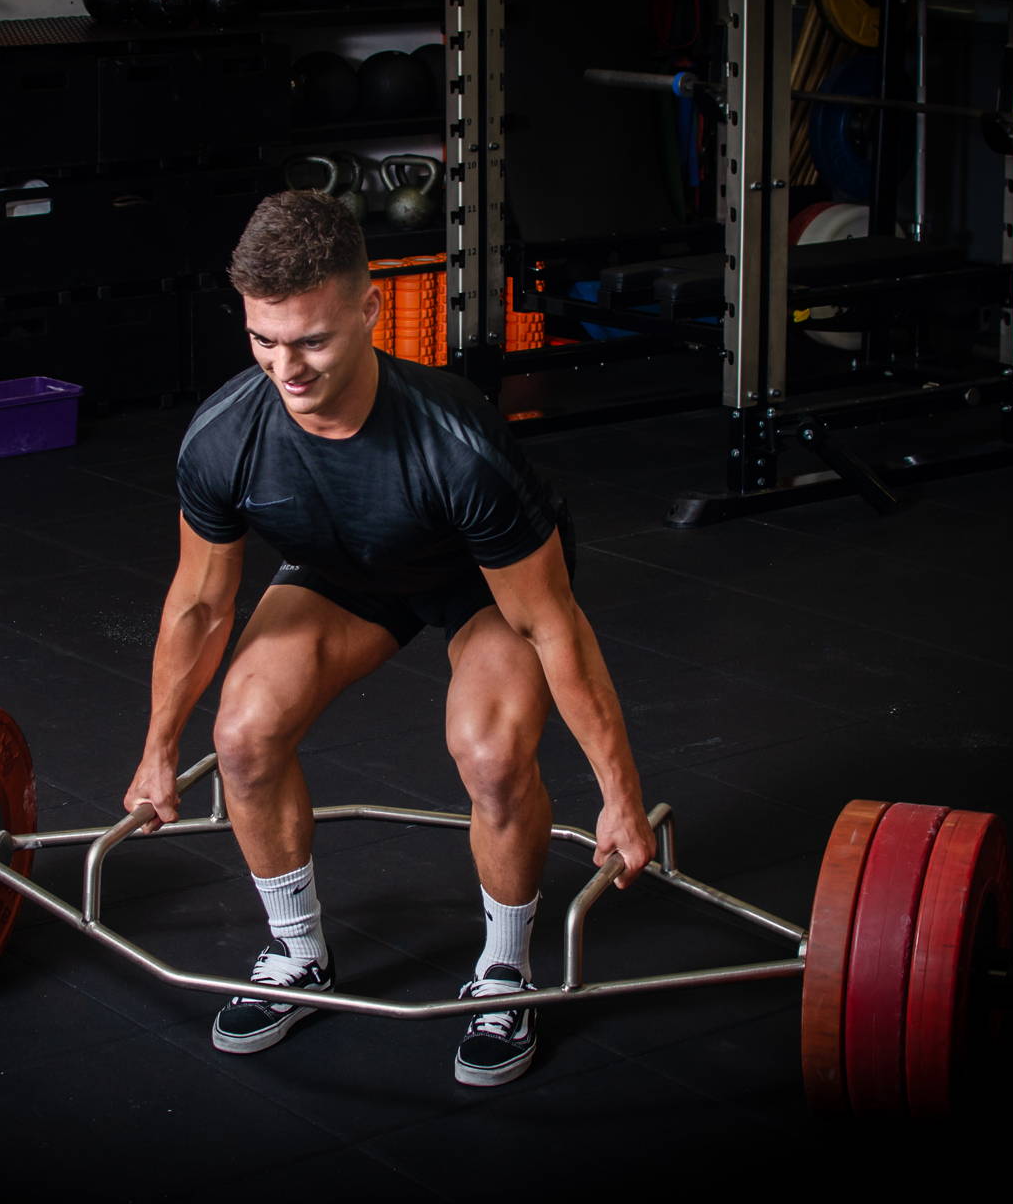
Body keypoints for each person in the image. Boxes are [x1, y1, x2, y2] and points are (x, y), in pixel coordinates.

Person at [124, 190, 656, 1087]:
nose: (285, 367)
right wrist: (154, 750)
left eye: (313, 340)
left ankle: (505, 966)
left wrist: (621, 795)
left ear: (370, 309)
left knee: (489, 754)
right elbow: (199, 606)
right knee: (243, 735)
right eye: (263, 339)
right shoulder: (226, 435)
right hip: (346, 574)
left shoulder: (457, 442)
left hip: (478, 582)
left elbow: (548, 621)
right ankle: (298, 955)